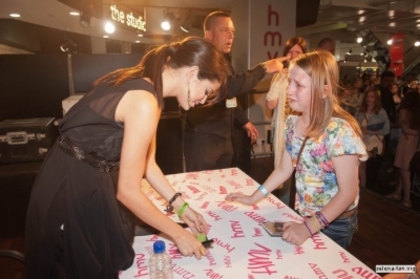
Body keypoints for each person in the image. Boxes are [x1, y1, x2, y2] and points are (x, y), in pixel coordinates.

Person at [25, 37, 227, 278]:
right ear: (193, 73)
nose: (202, 100)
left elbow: (148, 164)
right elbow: (128, 192)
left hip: (80, 176)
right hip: (72, 186)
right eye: (206, 92)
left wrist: (181, 207)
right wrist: (178, 233)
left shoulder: (147, 89)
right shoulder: (144, 102)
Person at [225, 50, 368, 248]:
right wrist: (253, 198)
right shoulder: (293, 123)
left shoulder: (339, 131)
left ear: (324, 91)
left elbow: (347, 194)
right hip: (305, 216)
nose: (289, 90)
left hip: (335, 223)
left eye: (298, 85)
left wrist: (308, 228)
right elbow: (284, 169)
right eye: (289, 82)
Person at [184, 10, 286, 172]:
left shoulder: (223, 62)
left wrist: (244, 121)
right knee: (200, 187)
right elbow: (229, 86)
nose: (231, 36)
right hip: (203, 138)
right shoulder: (201, 60)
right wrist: (264, 68)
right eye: (224, 30)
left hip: (224, 138)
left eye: (232, 31)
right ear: (208, 34)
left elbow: (228, 96)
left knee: (222, 185)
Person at [265, 36, 307, 205]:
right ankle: (284, 209)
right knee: (284, 174)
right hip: (285, 132)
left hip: (306, 132)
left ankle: (304, 212)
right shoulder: (281, 77)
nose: (294, 55)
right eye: (290, 52)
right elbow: (270, 104)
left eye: (298, 52)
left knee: (305, 173)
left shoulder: (309, 77)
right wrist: (281, 78)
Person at [386, 89, 420, 208]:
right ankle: (397, 193)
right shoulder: (417, 113)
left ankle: (406, 199)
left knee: (404, 172)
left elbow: (398, 124)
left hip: (405, 141)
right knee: (404, 169)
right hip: (414, 143)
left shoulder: (404, 111)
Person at [354, 89, 390, 187]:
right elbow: (354, 124)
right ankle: (362, 187)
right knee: (361, 166)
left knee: (360, 164)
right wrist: (359, 128)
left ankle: (361, 187)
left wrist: (371, 131)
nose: (369, 99)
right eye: (367, 96)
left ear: (376, 98)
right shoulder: (360, 110)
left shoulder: (381, 112)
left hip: (372, 141)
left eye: (372, 97)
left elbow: (386, 129)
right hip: (360, 140)